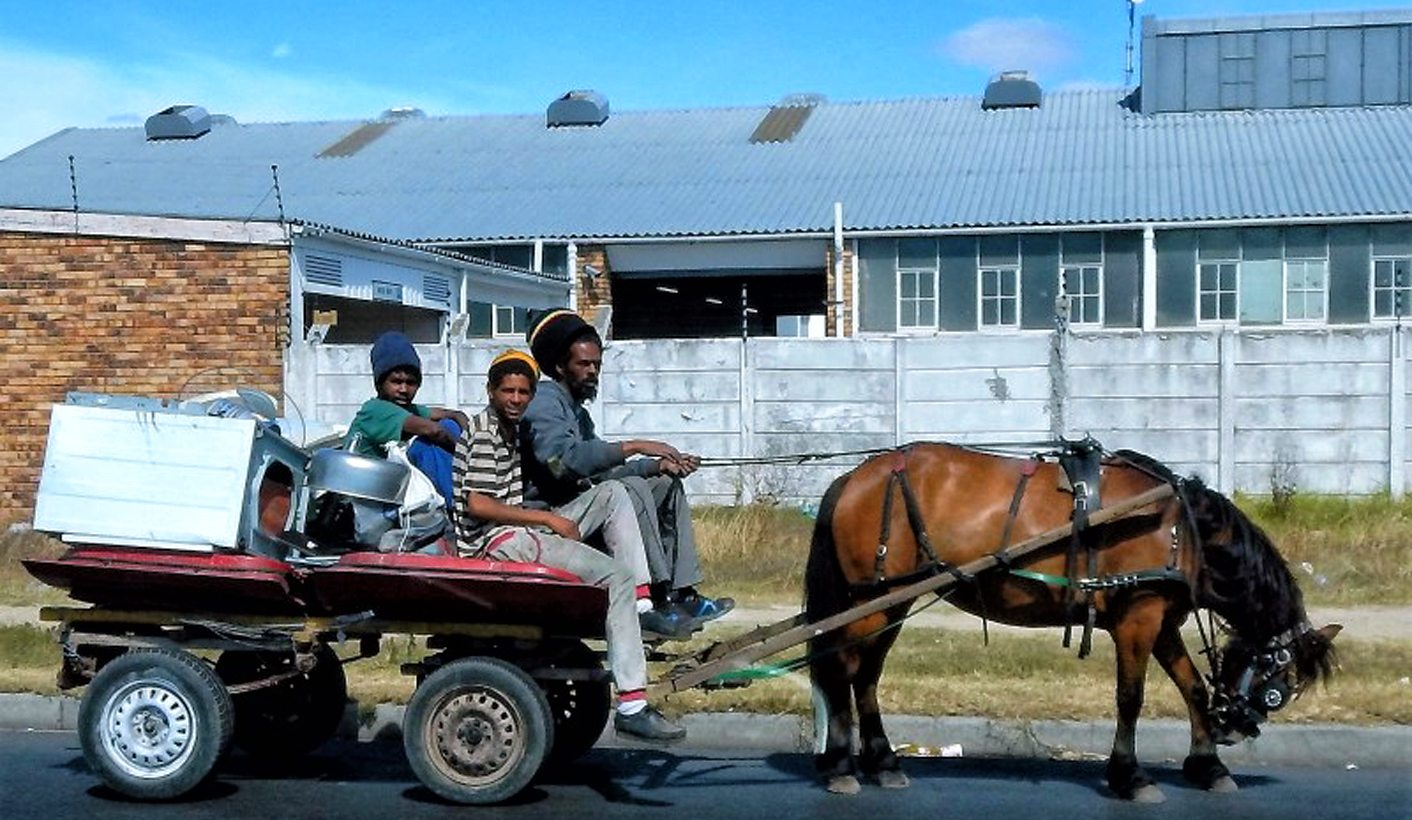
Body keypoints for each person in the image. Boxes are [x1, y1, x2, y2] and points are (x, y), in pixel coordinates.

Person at [451, 349, 685, 741]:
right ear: (490, 391)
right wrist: (546, 518)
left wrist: (642, 464)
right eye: (507, 391)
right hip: (497, 542)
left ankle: (643, 603)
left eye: (524, 392)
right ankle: (631, 705)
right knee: (616, 579)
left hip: (523, 533)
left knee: (612, 492)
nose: (516, 399)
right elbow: (477, 503)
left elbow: (571, 463)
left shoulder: (514, 430)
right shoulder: (483, 432)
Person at [520, 309, 734, 622]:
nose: (593, 372)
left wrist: (657, 466)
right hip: (551, 516)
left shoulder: (577, 413)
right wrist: (634, 445)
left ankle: (683, 592)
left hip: (584, 509)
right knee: (627, 490)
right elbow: (562, 464)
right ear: (559, 366)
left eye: (597, 364)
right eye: (584, 364)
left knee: (664, 485)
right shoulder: (543, 402)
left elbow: (603, 471)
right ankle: (656, 597)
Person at [344, 331, 469, 508]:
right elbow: (434, 431)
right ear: (379, 383)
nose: (404, 389)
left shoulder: (406, 409)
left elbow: (454, 415)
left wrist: (470, 437)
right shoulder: (376, 410)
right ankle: (456, 507)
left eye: (411, 383)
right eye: (396, 382)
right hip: (365, 498)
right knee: (426, 445)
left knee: (448, 426)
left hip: (389, 490)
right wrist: (470, 457)